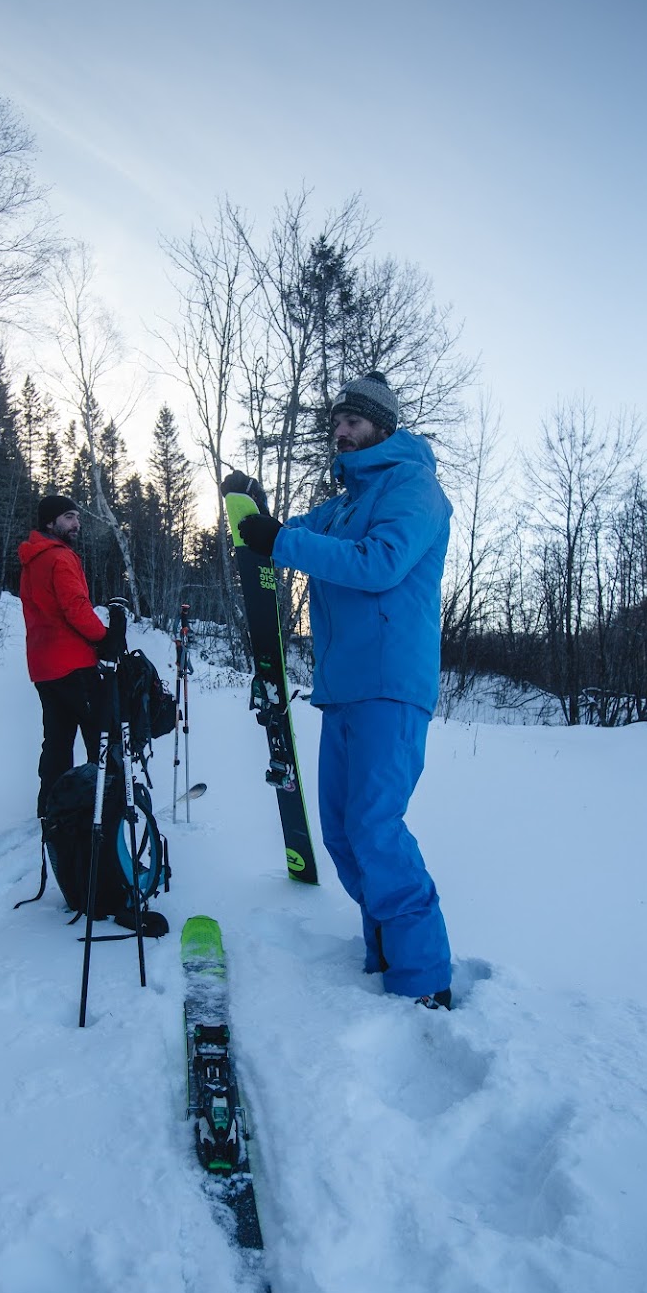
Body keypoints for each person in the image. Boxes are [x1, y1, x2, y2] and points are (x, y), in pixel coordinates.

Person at [225, 371, 453, 1009]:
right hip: (343, 686)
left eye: (352, 421)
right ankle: (386, 955)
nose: (340, 432)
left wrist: (285, 541)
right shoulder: (346, 502)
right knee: (343, 834)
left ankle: (424, 979)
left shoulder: (414, 488)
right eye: (335, 424)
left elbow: (379, 564)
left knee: (376, 825)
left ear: (382, 425)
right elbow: (292, 532)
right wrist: (259, 519)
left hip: (391, 685)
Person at [18, 494, 125, 816]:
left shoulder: (32, 558)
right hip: (73, 664)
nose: (76, 523)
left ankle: (51, 809)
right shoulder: (59, 557)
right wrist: (106, 638)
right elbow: (75, 608)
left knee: (57, 740)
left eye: (77, 517)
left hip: (43, 667)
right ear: (50, 522)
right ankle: (107, 806)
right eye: (68, 517)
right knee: (102, 733)